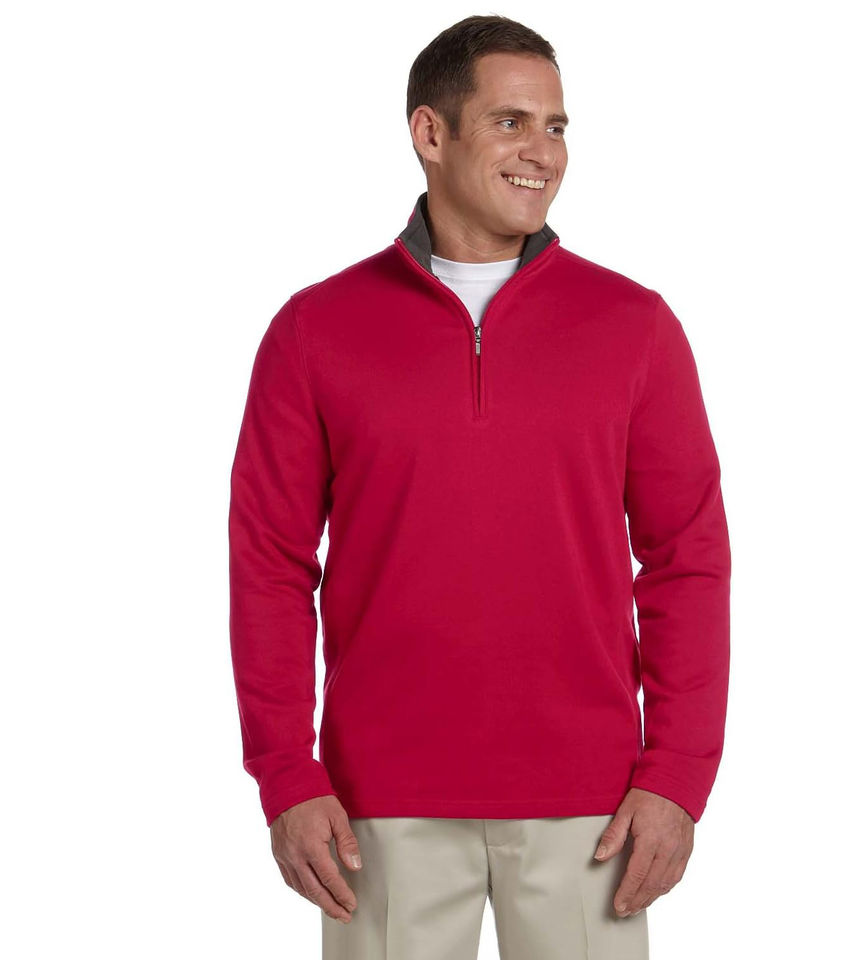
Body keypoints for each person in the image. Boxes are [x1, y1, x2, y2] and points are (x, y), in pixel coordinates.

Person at [228, 14, 731, 960]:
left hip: (593, 806)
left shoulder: (635, 326)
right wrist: (285, 772)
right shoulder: (315, 329)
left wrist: (677, 774)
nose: (544, 152)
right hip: (376, 805)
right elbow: (269, 563)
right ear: (430, 133)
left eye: (557, 126)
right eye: (511, 122)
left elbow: (687, 560)